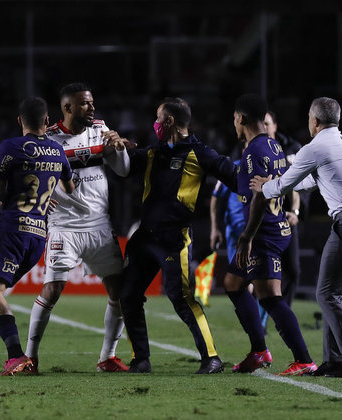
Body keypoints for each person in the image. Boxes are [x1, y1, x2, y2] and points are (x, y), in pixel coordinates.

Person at [250, 97, 342, 378]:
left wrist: (265, 186)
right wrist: (282, 181)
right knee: (332, 293)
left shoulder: (316, 146)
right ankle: (334, 361)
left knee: (327, 293)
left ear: (315, 121)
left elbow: (285, 184)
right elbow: (309, 182)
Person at [120, 97, 236, 374]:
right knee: (128, 295)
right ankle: (141, 359)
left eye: (159, 119)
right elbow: (119, 167)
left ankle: (212, 358)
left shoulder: (200, 153)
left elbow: (234, 176)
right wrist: (116, 148)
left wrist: (263, 184)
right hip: (144, 238)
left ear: (170, 121)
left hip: (174, 239)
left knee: (181, 297)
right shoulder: (152, 153)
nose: (155, 124)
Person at [25, 83, 130, 373]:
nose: (91, 107)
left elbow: (123, 170)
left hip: (99, 223)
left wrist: (117, 147)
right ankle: (29, 357)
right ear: (67, 108)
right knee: (53, 288)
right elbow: (30, 174)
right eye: (84, 103)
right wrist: (39, 200)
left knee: (118, 290)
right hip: (65, 226)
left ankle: (107, 357)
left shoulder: (100, 129)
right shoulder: (50, 139)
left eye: (92, 102)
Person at [0, 97, 75, 376]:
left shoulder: (10, 147)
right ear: (47, 121)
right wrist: (44, 193)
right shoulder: (58, 152)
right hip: (37, 235)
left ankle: (17, 357)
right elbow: (69, 188)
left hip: (12, 229)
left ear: (20, 121)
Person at [224, 94, 316, 376]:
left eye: (235, 118)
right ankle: (258, 351)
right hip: (276, 227)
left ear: (241, 119)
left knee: (270, 297)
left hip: (263, 233)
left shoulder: (253, 151)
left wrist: (246, 237)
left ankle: (303, 359)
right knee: (233, 283)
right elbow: (287, 183)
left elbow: (259, 198)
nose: (234, 124)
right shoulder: (274, 145)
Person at [264, 111, 303, 309]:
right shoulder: (251, 149)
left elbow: (298, 186)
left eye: (267, 123)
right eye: (261, 124)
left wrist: (295, 212)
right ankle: (259, 321)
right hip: (262, 218)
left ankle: (282, 312)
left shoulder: (291, 149)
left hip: (286, 218)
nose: (264, 127)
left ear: (275, 126)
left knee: (293, 270)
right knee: (261, 273)